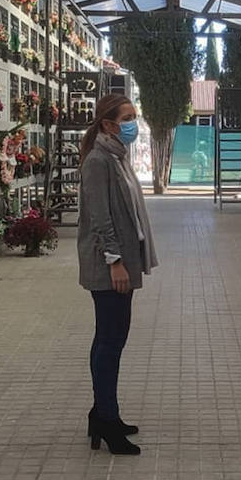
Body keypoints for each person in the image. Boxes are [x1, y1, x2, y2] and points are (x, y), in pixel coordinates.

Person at [77, 93, 157, 456]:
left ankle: (103, 412)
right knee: (110, 342)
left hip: (122, 259)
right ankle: (107, 421)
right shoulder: (98, 160)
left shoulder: (116, 156)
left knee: (110, 338)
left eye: (134, 117)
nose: (132, 125)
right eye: (126, 118)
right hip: (110, 264)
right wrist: (115, 261)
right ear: (108, 124)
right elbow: (99, 217)